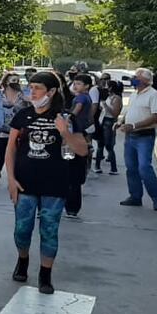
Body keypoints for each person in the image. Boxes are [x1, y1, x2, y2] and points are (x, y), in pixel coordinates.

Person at [6, 71, 90, 294]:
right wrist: (11, 179)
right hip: (25, 183)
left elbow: (82, 150)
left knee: (49, 230)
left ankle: (45, 274)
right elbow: (11, 148)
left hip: (54, 184)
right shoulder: (22, 116)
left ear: (51, 92)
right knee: (22, 229)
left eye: (38, 88)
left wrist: (65, 133)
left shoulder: (66, 118)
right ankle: (22, 260)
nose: (32, 92)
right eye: (30, 87)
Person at [118, 68, 157, 211]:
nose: (134, 79)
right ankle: (135, 196)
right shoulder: (134, 94)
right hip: (130, 136)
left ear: (145, 80)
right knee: (131, 169)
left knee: (144, 167)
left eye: (137, 77)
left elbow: (156, 116)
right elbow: (130, 111)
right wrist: (121, 122)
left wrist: (134, 125)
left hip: (144, 136)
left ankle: (156, 198)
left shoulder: (153, 95)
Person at [0, 73, 27, 187]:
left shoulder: (22, 95)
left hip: (17, 129)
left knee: (16, 154)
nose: (16, 82)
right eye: (13, 80)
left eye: (17, 80)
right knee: (0, 153)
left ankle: (12, 178)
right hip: (0, 129)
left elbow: (29, 109)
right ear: (7, 82)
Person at [64, 73, 94, 217]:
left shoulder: (81, 98)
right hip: (80, 135)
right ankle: (72, 206)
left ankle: (71, 205)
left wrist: (68, 117)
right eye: (74, 83)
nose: (75, 86)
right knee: (74, 171)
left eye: (79, 84)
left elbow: (75, 111)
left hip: (75, 136)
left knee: (70, 169)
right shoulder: (86, 97)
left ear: (87, 86)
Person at [96, 77, 122, 175]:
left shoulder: (116, 98)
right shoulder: (108, 97)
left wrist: (105, 106)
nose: (105, 88)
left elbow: (115, 113)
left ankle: (113, 168)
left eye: (107, 86)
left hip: (109, 121)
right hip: (102, 120)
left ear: (111, 88)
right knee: (100, 144)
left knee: (108, 145)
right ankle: (97, 166)